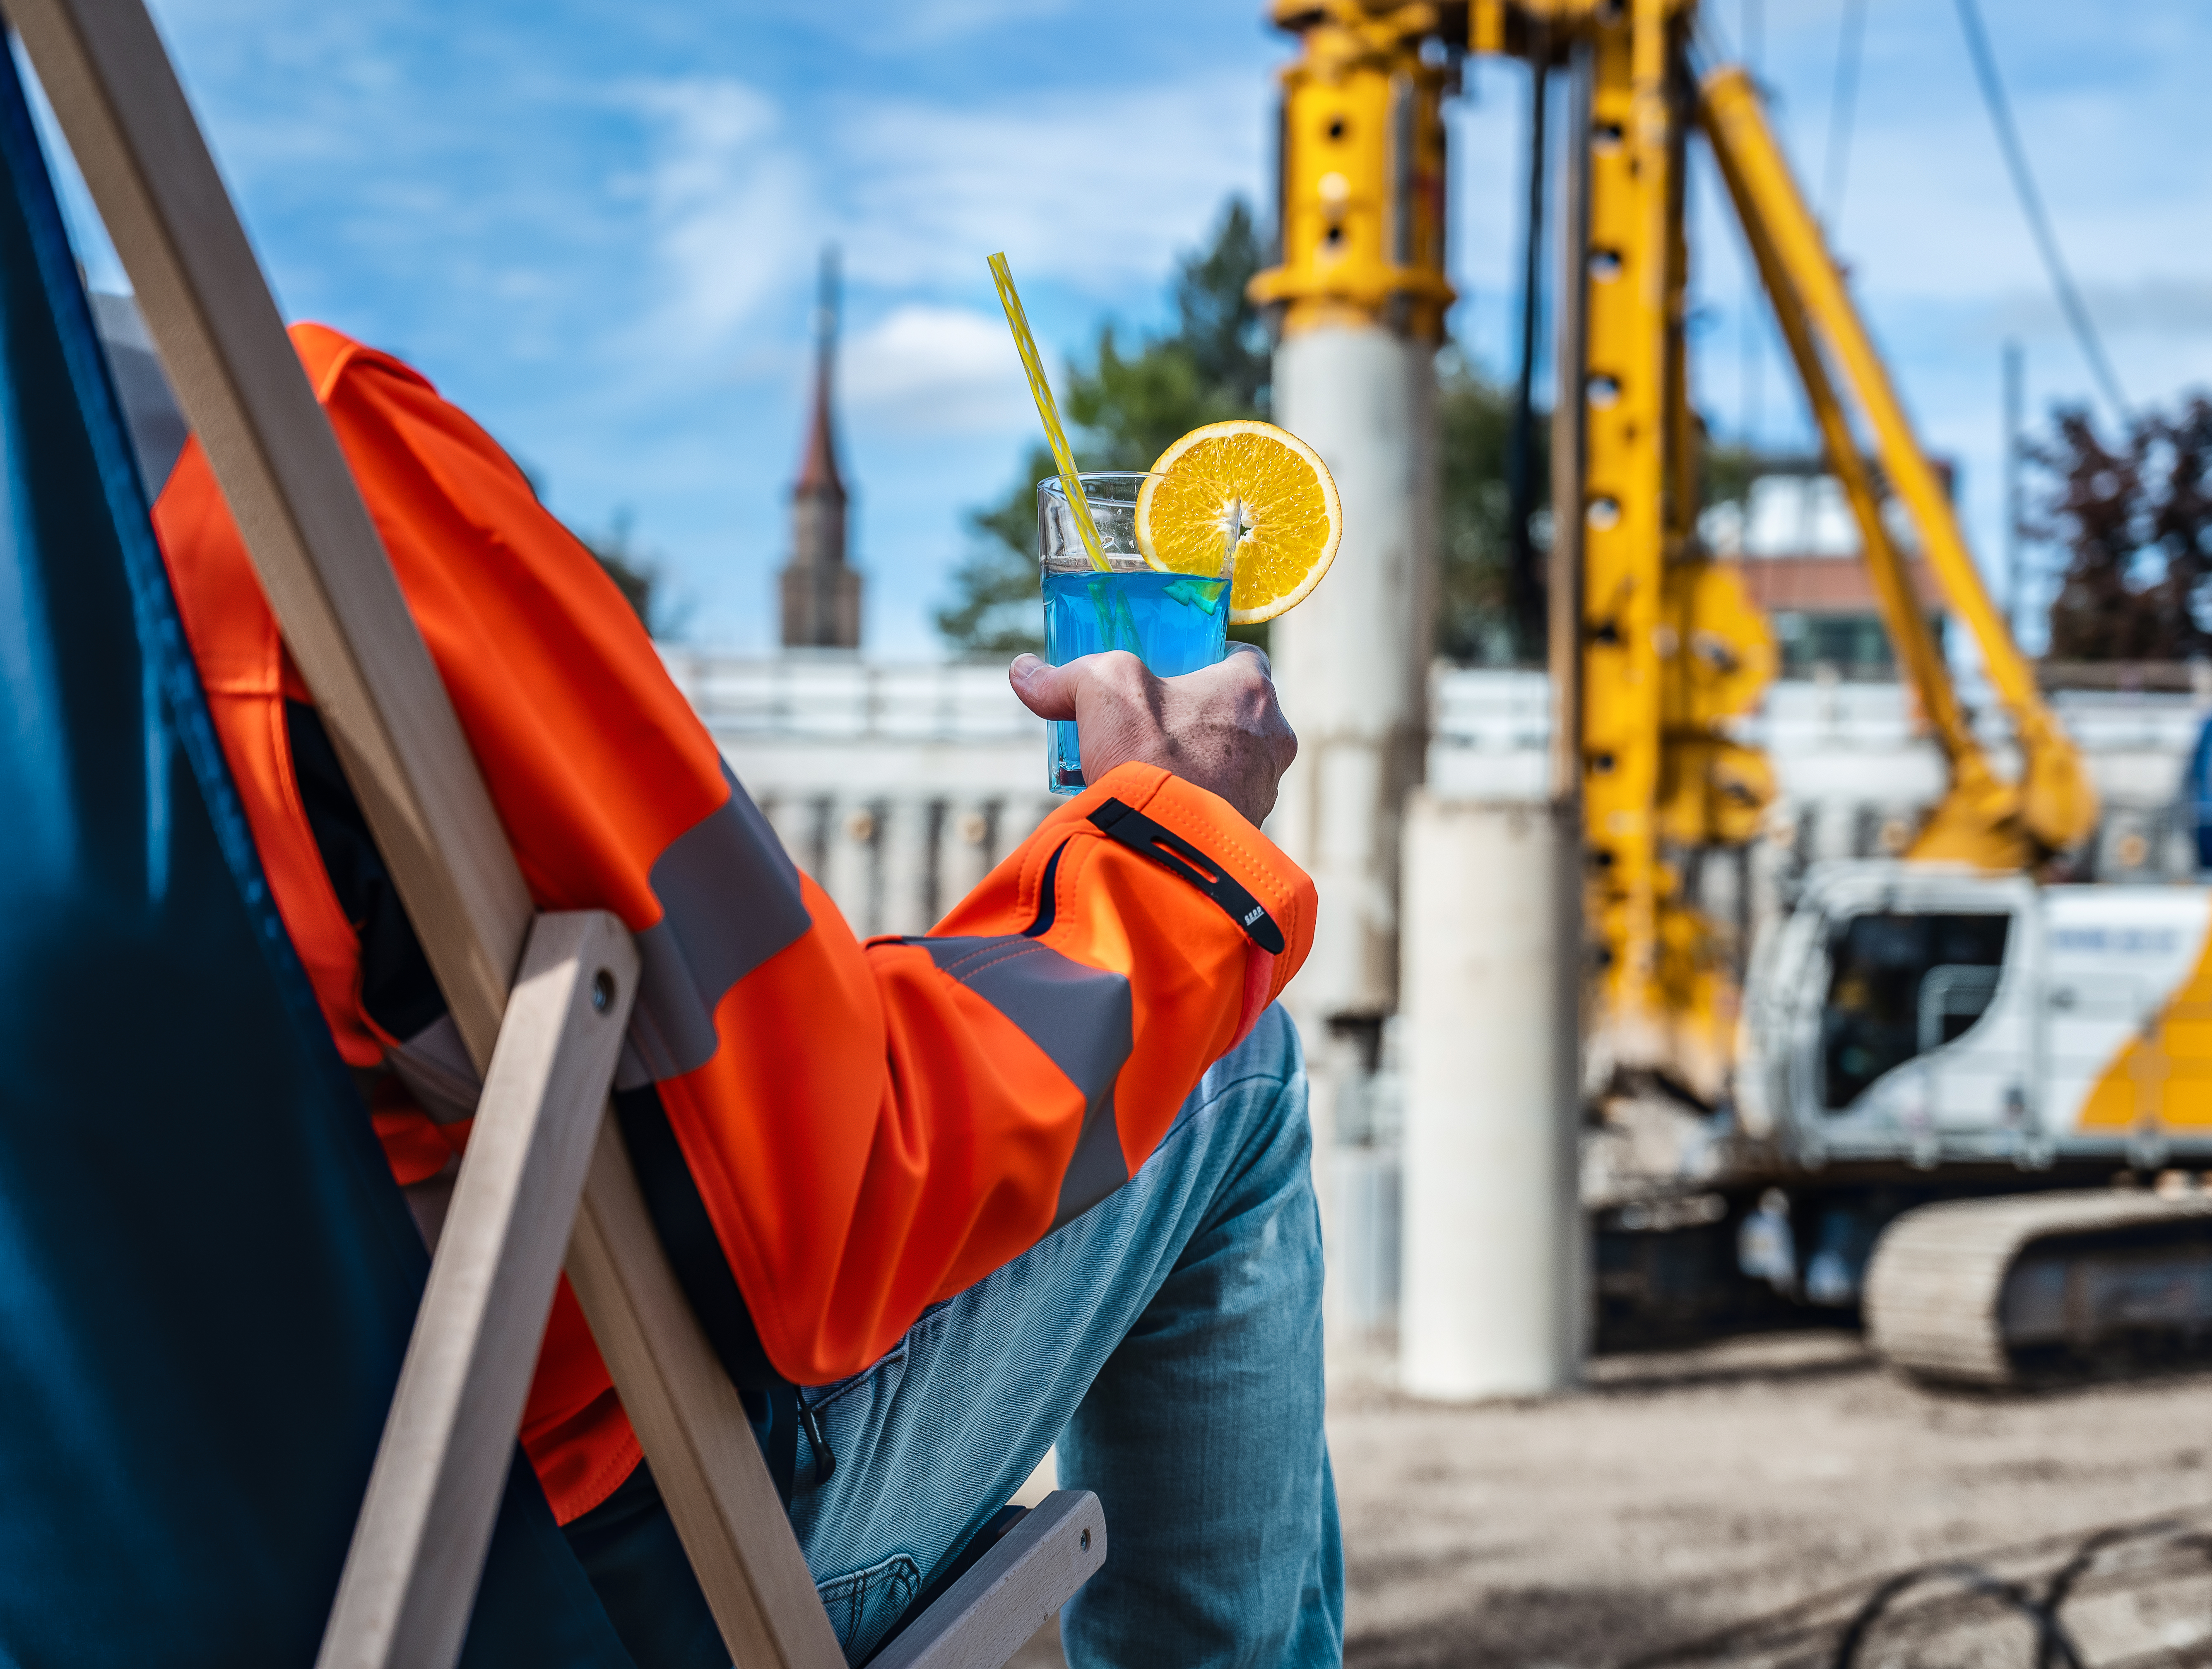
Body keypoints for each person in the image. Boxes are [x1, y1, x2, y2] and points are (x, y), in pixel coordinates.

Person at [138, 320, 1340, 1667]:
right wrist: (1175, 853)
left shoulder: (62, 590)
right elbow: (833, 1205)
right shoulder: (295, 475)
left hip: (149, 1567)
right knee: (1235, 1061)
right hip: (562, 1582)